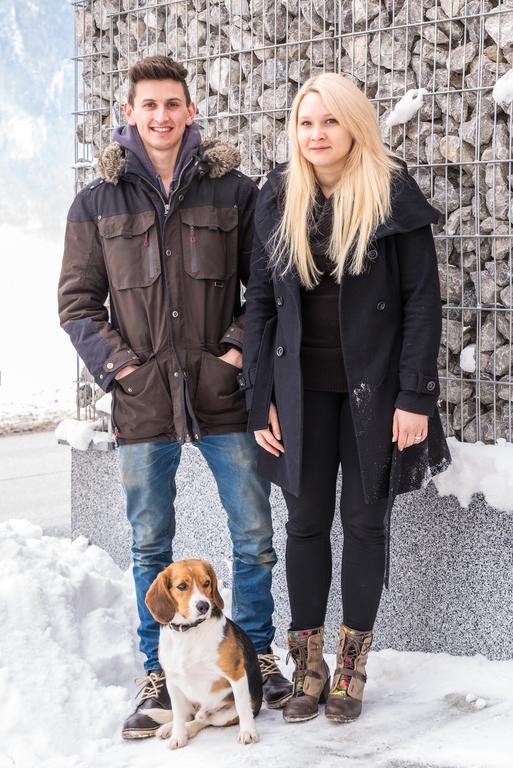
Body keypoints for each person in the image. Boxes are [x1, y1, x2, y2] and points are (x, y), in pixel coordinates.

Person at [58, 55, 291, 739]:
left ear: (191, 111)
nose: (160, 116)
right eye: (148, 105)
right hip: (142, 404)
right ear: (127, 112)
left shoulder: (236, 193)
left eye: (172, 104)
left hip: (222, 397)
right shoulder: (94, 203)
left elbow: (269, 287)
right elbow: (76, 304)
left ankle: (255, 655)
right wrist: (123, 372)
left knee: (253, 536)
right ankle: (158, 677)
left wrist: (232, 355)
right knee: (148, 545)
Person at [240, 72, 451, 724]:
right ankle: (309, 664)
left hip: (376, 396)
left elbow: (421, 302)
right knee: (303, 525)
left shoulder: (391, 194)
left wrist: (414, 396)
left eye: (328, 121)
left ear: (353, 125)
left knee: (362, 525)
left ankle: (351, 667)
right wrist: (258, 400)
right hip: (297, 396)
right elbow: (260, 307)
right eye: (305, 123)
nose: (315, 135)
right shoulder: (277, 196)